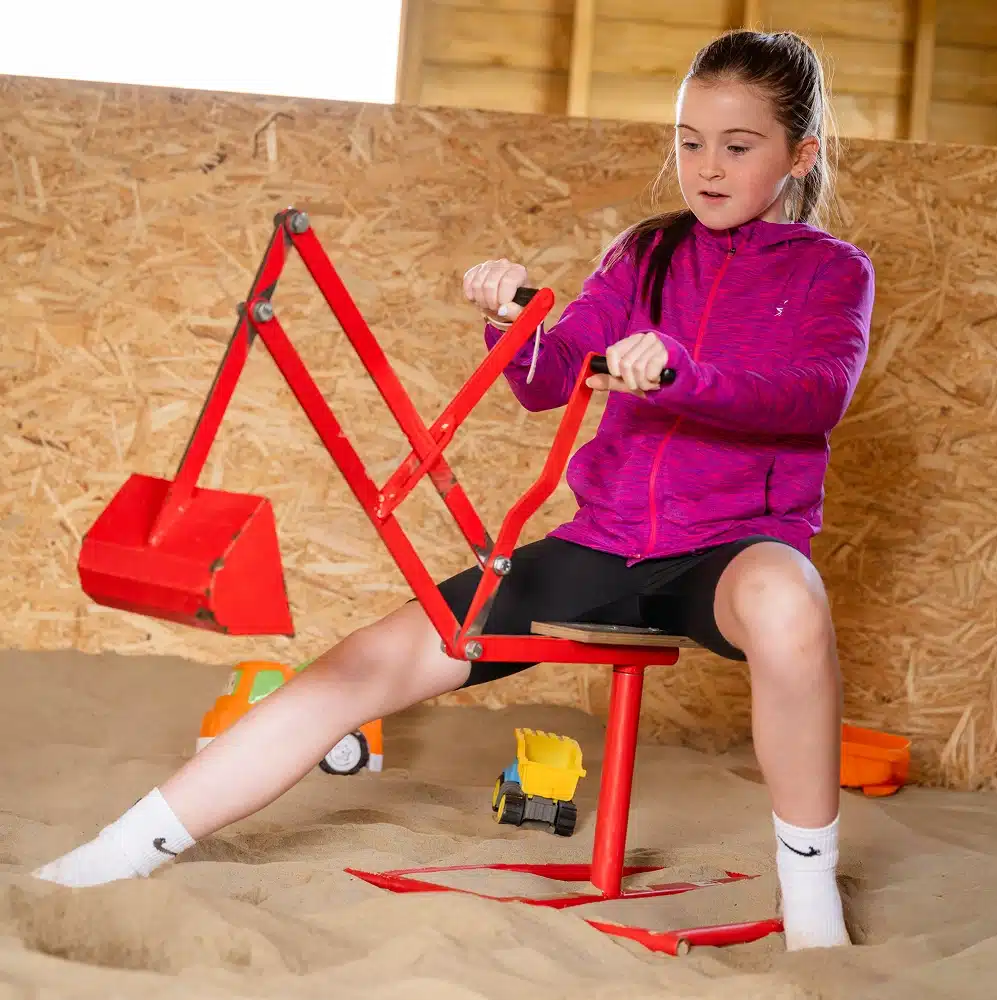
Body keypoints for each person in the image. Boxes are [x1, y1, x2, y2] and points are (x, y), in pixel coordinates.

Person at [33, 28, 874, 952]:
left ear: (801, 153)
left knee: (792, 607)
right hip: (603, 545)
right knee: (367, 662)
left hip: (725, 553)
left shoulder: (834, 275)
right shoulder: (645, 255)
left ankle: (811, 910)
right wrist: (512, 314)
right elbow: (548, 378)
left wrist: (684, 372)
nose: (706, 168)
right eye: (689, 141)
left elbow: (810, 398)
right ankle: (114, 853)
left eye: (737, 145)